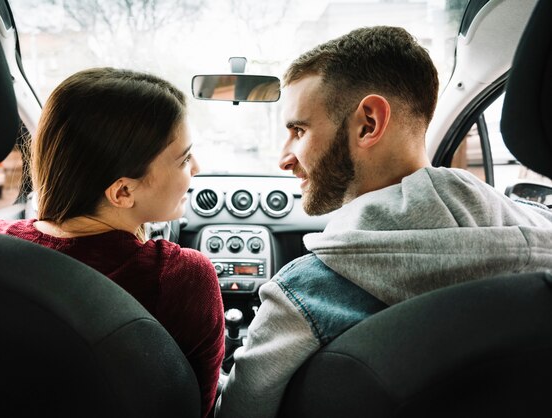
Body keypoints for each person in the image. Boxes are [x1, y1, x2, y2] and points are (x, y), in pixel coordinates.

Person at [214, 26, 552, 418]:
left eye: (299, 131)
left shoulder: (306, 296)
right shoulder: (541, 245)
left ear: (369, 123)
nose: (284, 158)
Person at [0, 67, 225, 418]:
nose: (197, 168)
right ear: (123, 191)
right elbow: (198, 406)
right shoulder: (181, 276)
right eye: (184, 159)